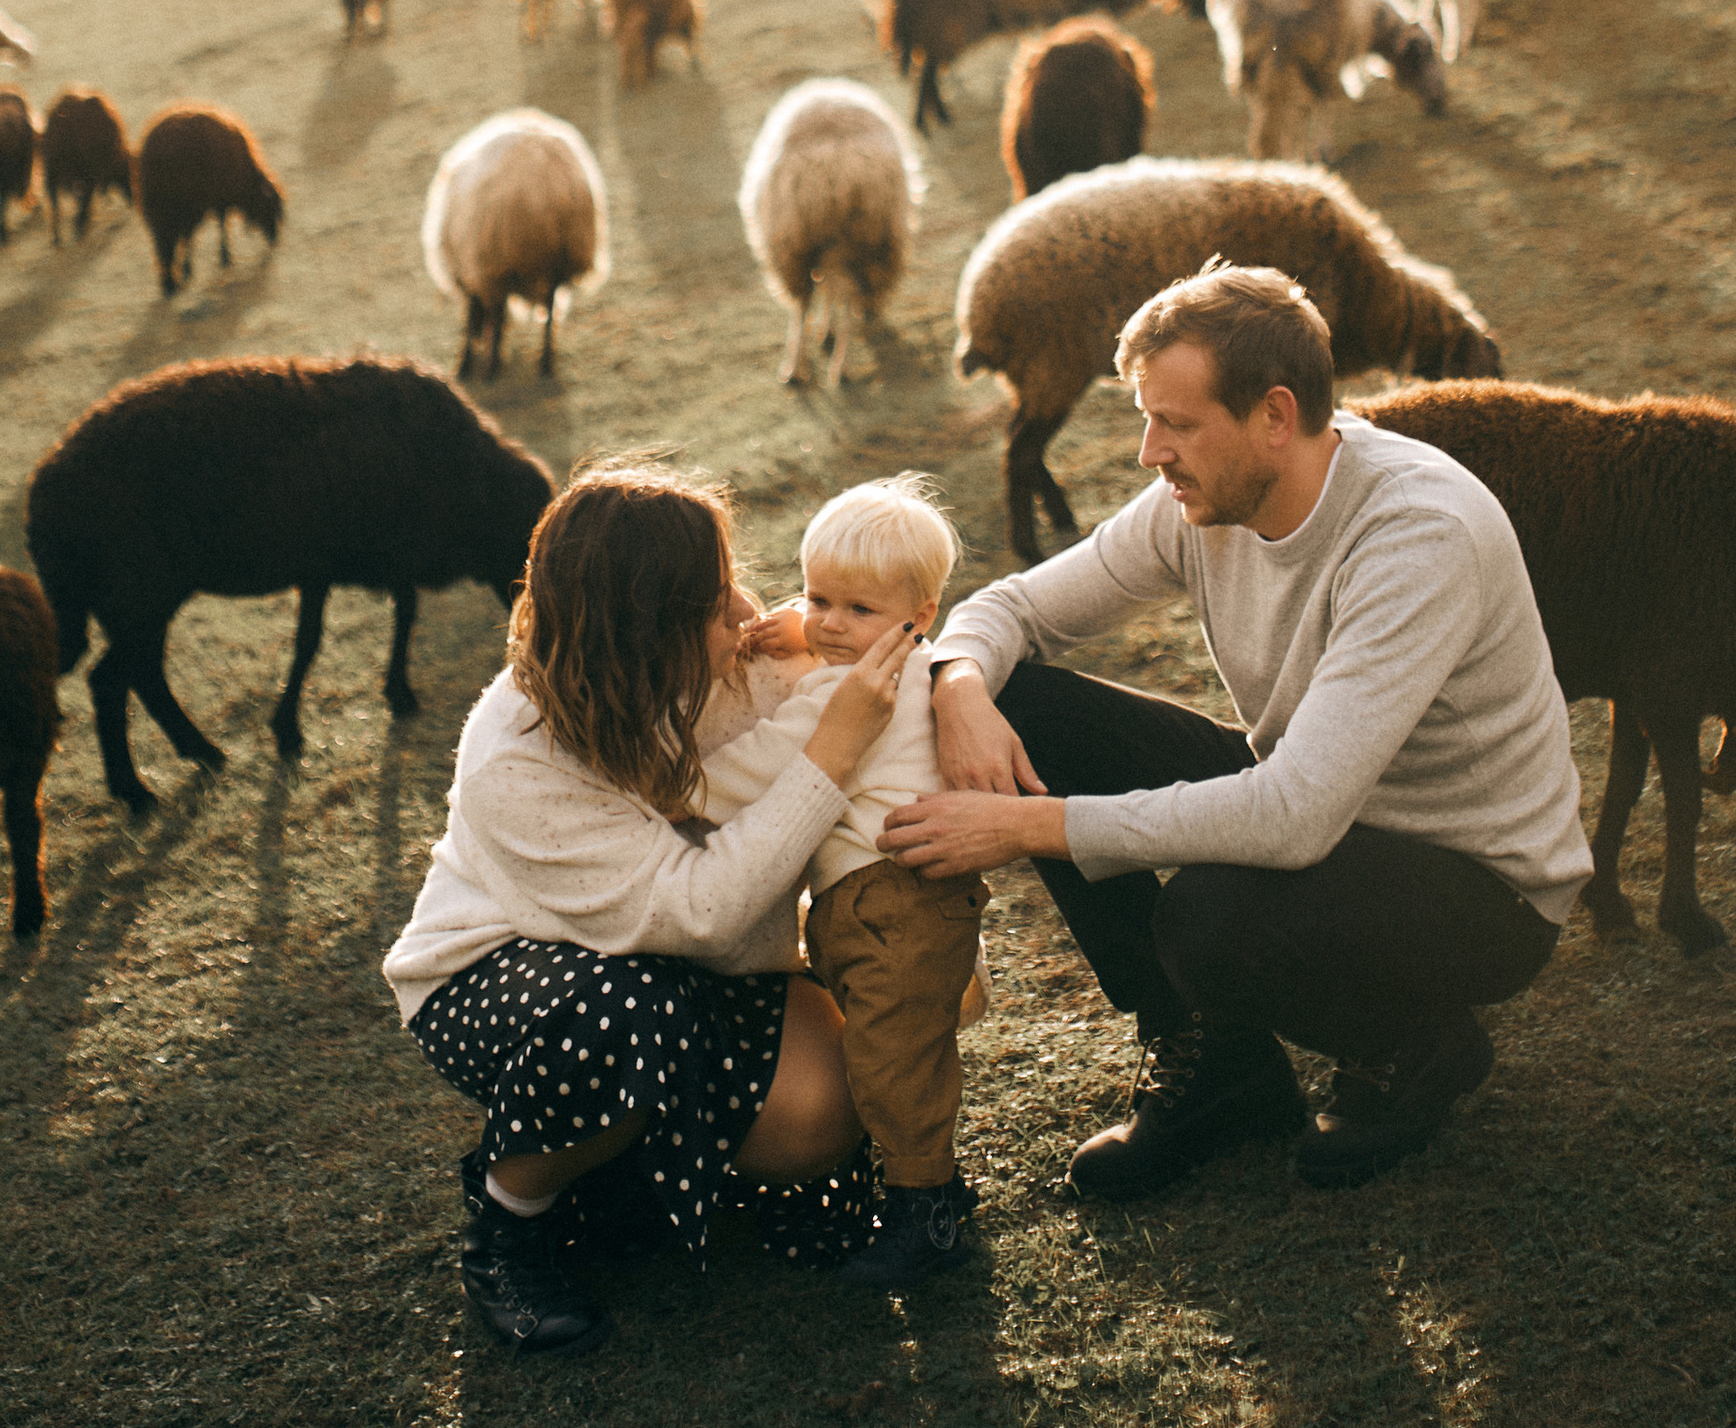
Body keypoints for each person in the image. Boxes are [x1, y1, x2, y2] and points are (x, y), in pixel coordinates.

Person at [883, 264, 1590, 1198]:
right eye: (1147, 418)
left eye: (1175, 423)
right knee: (1025, 704)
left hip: (1475, 884)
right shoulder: (1208, 498)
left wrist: (1026, 827)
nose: (1148, 452)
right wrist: (960, 682)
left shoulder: (1418, 535)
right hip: (1319, 795)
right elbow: (1016, 607)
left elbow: (1293, 817)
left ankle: (1415, 1044)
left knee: (1209, 922)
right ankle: (1218, 1067)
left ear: (1275, 416)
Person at [384, 458, 906, 1357]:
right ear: (645, 630)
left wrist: (962, 685)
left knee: (828, 1109)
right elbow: (700, 911)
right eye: (714, 604)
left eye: (730, 584)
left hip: (676, 962)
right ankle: (512, 1222)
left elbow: (910, 633)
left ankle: (627, 1177)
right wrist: (832, 755)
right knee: (617, 1017)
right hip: (508, 973)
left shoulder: (715, 664)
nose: (744, 614)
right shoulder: (517, 753)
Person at [697, 475, 986, 1292]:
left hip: (883, 904)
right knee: (901, 1052)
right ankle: (933, 1185)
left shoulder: (848, 693)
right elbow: (824, 626)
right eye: (818, 596)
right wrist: (798, 625)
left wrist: (673, 784)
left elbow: (758, 768)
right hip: (900, 903)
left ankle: (923, 1213)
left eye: (856, 611)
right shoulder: (919, 662)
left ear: (919, 613)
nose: (827, 624)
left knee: (890, 1061)